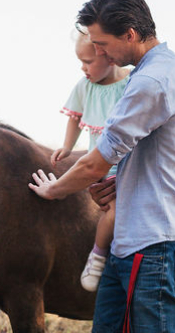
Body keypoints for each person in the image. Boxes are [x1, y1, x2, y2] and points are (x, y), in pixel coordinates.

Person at [29, 0, 175, 333]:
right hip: (134, 244)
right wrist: (120, 183)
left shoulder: (153, 81)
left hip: (156, 249)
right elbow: (149, 157)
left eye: (103, 44)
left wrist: (56, 190)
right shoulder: (154, 73)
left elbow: (95, 162)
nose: (98, 52)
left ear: (130, 34)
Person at [51, 32, 130, 291]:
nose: (83, 68)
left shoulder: (132, 82)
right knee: (114, 210)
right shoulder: (85, 87)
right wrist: (67, 146)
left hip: (131, 164)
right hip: (104, 164)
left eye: (87, 61)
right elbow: (74, 117)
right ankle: (97, 256)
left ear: (109, 57)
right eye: (80, 62)